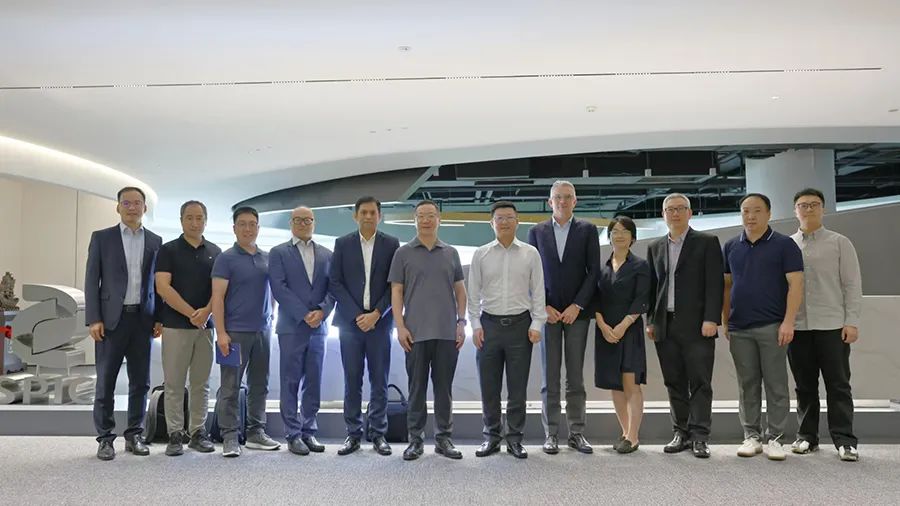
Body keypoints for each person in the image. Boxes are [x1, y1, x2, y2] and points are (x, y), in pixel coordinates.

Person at [722, 193, 803, 461]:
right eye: (746, 211)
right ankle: (751, 436)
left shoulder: (785, 245)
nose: (751, 216)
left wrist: (788, 321)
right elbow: (727, 287)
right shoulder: (731, 246)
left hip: (773, 326)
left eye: (757, 210)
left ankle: (776, 438)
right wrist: (726, 321)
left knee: (776, 384)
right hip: (739, 328)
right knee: (747, 385)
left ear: (769, 213)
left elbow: (796, 285)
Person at [85, 186, 163, 461]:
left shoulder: (155, 240)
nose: (132, 207)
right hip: (110, 321)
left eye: (137, 203)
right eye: (126, 203)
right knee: (105, 381)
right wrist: (94, 318)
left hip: (143, 320)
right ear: (118, 207)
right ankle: (105, 439)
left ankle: (134, 435)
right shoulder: (102, 238)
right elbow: (91, 279)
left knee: (140, 382)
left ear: (144, 208)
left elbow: (158, 283)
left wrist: (159, 317)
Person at [645, 193, 724, 459]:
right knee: (674, 381)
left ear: (690, 213)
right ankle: (680, 432)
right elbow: (652, 287)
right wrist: (651, 320)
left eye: (680, 208)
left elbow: (715, 284)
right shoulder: (655, 247)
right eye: (670, 209)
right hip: (665, 325)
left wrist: (711, 318)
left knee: (700, 382)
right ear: (663, 214)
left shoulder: (707, 242)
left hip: (698, 325)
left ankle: (700, 436)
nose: (675, 213)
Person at [389, 200, 467, 461]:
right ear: (414, 220)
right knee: (416, 389)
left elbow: (460, 290)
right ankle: (415, 440)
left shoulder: (451, 252)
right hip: (415, 333)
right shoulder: (403, 253)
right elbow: (396, 292)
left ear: (439, 219)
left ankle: (444, 439)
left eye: (431, 215)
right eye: (421, 216)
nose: (426, 220)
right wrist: (400, 326)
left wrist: (461, 322)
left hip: (446, 333)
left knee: (444, 390)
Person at [468, 201, 546, 459]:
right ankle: (491, 437)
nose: (504, 222)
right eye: (499, 218)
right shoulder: (481, 254)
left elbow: (538, 291)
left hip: (520, 327)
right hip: (488, 326)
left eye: (509, 217)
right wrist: (475, 325)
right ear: (492, 223)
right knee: (489, 386)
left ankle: (514, 438)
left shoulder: (530, 253)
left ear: (517, 221)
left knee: (517, 388)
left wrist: (537, 323)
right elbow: (473, 292)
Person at [789, 188, 862, 462]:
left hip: (832, 325)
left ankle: (845, 441)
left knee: (838, 384)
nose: (808, 209)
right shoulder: (788, 245)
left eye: (814, 204)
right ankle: (807, 437)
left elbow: (852, 284)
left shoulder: (840, 242)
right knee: (804, 385)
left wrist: (851, 321)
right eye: (803, 205)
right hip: (798, 327)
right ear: (795, 210)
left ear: (823, 208)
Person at [527, 180, 600, 454]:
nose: (562, 201)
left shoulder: (588, 230)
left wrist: (577, 305)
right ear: (550, 202)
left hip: (576, 315)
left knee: (575, 377)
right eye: (557, 197)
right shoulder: (537, 232)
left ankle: (577, 433)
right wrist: (543, 306)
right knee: (550, 378)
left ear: (575, 201)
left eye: (568, 197)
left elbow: (593, 272)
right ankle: (551, 434)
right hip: (547, 314)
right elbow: (531, 274)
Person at [329, 196, 400, 456]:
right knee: (352, 380)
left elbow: (395, 284)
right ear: (355, 216)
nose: (368, 216)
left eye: (372, 212)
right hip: (350, 324)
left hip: (380, 324)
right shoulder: (342, 243)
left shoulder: (391, 244)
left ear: (380, 216)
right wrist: (359, 315)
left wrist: (377, 314)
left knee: (379, 380)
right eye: (364, 212)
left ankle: (379, 434)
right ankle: (353, 434)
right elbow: (335, 282)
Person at [211, 206, 280, 457]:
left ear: (258, 228)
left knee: (259, 385)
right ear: (234, 228)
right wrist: (221, 333)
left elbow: (272, 293)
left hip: (262, 332)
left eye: (252, 224)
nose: (247, 229)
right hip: (234, 333)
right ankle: (230, 436)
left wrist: (270, 318)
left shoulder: (267, 257)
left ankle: (255, 433)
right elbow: (217, 298)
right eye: (242, 224)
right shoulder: (226, 258)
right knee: (230, 387)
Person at [154, 200, 222, 456]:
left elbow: (219, 290)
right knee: (174, 383)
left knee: (201, 383)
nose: (195, 223)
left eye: (199, 218)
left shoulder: (215, 251)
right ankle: (174, 433)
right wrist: (191, 313)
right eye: (189, 218)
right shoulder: (168, 250)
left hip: (205, 327)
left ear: (206, 220)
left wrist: (206, 311)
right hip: (175, 326)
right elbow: (163, 287)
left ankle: (197, 432)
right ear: (181, 220)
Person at [269, 206, 335, 456]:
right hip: (291, 326)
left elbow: (333, 288)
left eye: (308, 220)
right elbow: (279, 287)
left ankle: (309, 430)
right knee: (290, 381)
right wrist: (304, 314)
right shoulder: (278, 253)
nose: (303, 224)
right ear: (291, 223)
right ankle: (293, 434)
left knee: (313, 381)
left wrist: (322, 311)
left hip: (319, 327)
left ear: (314, 223)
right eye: (298, 220)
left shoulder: (327, 254)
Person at [593, 216, 650, 454]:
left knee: (630, 383)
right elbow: (595, 300)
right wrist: (603, 326)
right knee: (614, 385)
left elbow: (642, 299)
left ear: (632, 237)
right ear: (609, 236)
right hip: (605, 332)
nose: (619, 235)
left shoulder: (640, 265)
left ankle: (634, 437)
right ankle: (625, 433)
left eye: (625, 231)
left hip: (629, 330)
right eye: (615, 231)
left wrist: (622, 326)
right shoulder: (602, 267)